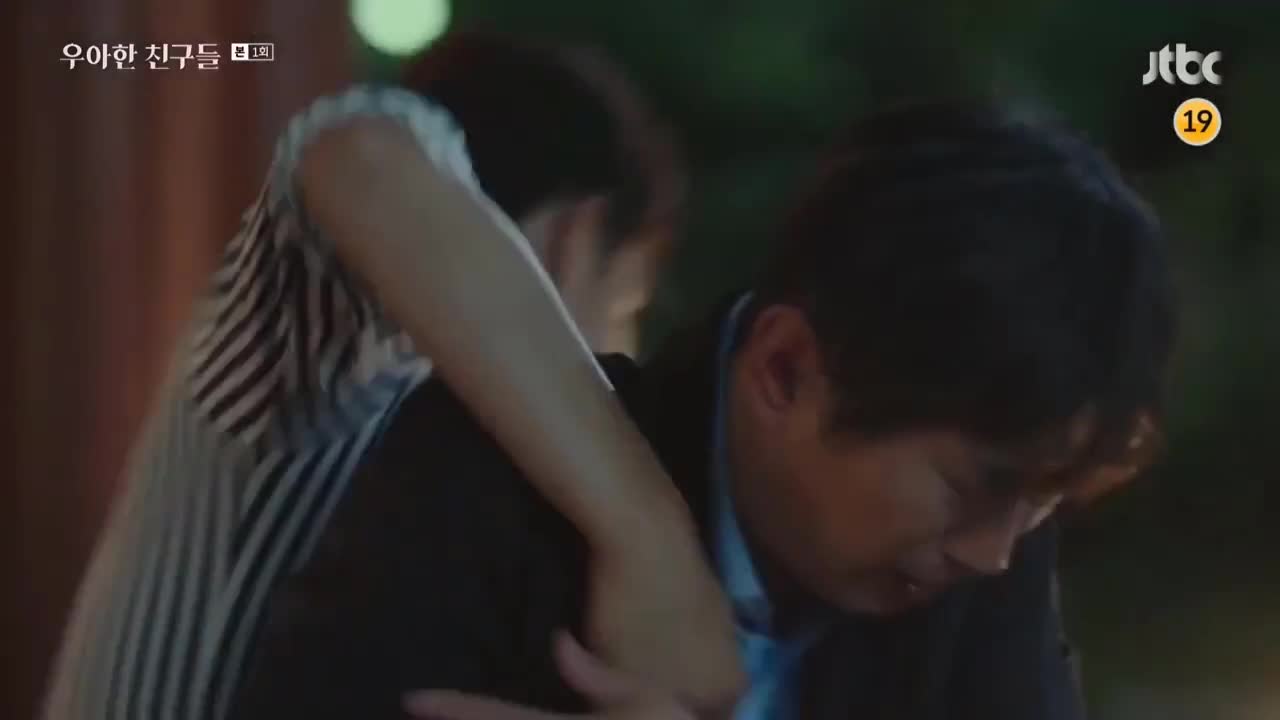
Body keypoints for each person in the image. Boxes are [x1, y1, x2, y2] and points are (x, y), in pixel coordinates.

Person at [227, 98, 1177, 720]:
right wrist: (646, 540)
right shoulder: (488, 488)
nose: (996, 550)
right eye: (974, 487)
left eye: (1044, 500)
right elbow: (358, 153)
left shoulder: (979, 575)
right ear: (784, 371)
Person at [41, 32, 745, 720]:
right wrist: (653, 545)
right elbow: (364, 153)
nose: (626, 352)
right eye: (625, 309)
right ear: (574, 239)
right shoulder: (342, 363)